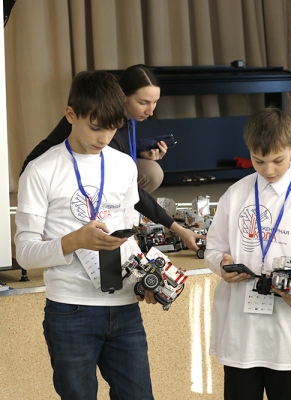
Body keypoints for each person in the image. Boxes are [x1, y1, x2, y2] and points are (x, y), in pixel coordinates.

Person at [15, 70, 154, 399]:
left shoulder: (124, 165)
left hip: (124, 306)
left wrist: (146, 277)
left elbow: (129, 238)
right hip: (71, 309)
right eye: (95, 127)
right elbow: (24, 252)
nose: (104, 137)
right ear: (71, 115)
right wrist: (74, 241)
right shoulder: (41, 170)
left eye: (113, 127)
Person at [204, 108, 291, 400]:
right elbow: (213, 249)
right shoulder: (235, 194)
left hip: (286, 335)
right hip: (240, 333)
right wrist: (221, 266)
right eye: (258, 160)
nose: (268, 170)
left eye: (278, 160)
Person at [20, 64, 203, 252]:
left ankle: (108, 215)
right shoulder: (92, 125)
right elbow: (26, 250)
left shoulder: (122, 123)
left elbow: (119, 150)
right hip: (55, 175)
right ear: (123, 98)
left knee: (150, 172)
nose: (151, 111)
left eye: (155, 102)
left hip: (84, 164)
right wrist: (177, 227)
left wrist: (139, 151)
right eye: (143, 102)